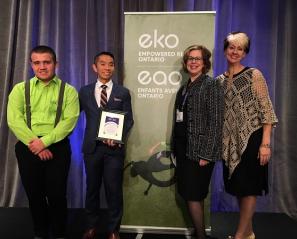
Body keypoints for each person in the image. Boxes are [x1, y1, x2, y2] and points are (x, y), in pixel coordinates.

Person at [7, 45, 80, 239]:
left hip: (58, 146)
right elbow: (14, 120)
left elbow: (69, 121)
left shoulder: (69, 91)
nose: (42, 67)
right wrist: (36, 144)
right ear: (31, 65)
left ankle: (59, 233)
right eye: (37, 62)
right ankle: (40, 232)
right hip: (27, 146)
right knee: (34, 194)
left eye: (46, 62)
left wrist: (45, 142)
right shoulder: (20, 89)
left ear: (56, 64)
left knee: (57, 194)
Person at [216, 32, 278, 239]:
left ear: (245, 53)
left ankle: (241, 235)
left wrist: (265, 144)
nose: (235, 52)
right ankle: (249, 232)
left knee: (249, 188)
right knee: (240, 189)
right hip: (229, 142)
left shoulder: (254, 75)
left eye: (239, 48)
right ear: (225, 50)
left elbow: (266, 111)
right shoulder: (219, 82)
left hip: (252, 140)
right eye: (231, 47)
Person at [79, 51, 134, 239]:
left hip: (113, 151)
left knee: (113, 191)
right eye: (102, 64)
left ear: (114, 67)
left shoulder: (122, 92)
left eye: (110, 64)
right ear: (95, 67)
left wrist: (117, 137)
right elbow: (72, 115)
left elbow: (128, 121)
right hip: (91, 149)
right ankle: (91, 226)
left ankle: (113, 229)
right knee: (91, 189)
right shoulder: (84, 91)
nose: (107, 67)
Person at [171, 45, 223, 239]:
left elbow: (216, 121)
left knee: (194, 194)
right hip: (184, 149)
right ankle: (199, 234)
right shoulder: (184, 89)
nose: (193, 62)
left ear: (205, 63)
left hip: (200, 151)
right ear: (186, 63)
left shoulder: (211, 85)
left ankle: (200, 236)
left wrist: (207, 153)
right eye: (190, 58)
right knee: (189, 193)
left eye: (197, 59)